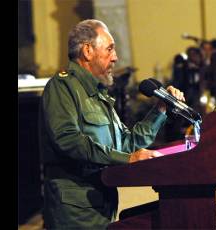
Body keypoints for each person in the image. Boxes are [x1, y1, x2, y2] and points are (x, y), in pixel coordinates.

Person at [39, 19, 185, 229]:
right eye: (109, 49)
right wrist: (127, 159)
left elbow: (126, 143)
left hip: (100, 204)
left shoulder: (97, 93)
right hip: (75, 212)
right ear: (88, 51)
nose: (115, 57)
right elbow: (68, 140)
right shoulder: (62, 87)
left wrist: (161, 109)